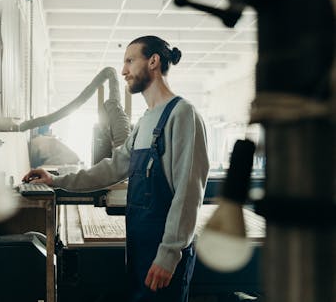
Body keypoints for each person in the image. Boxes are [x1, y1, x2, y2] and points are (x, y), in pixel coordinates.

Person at [23, 35, 209, 302]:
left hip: (162, 252)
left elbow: (189, 192)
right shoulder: (145, 121)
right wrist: (56, 179)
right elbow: (112, 168)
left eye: (130, 61)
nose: (123, 71)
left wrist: (169, 253)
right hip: (139, 248)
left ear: (153, 61)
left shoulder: (183, 114)